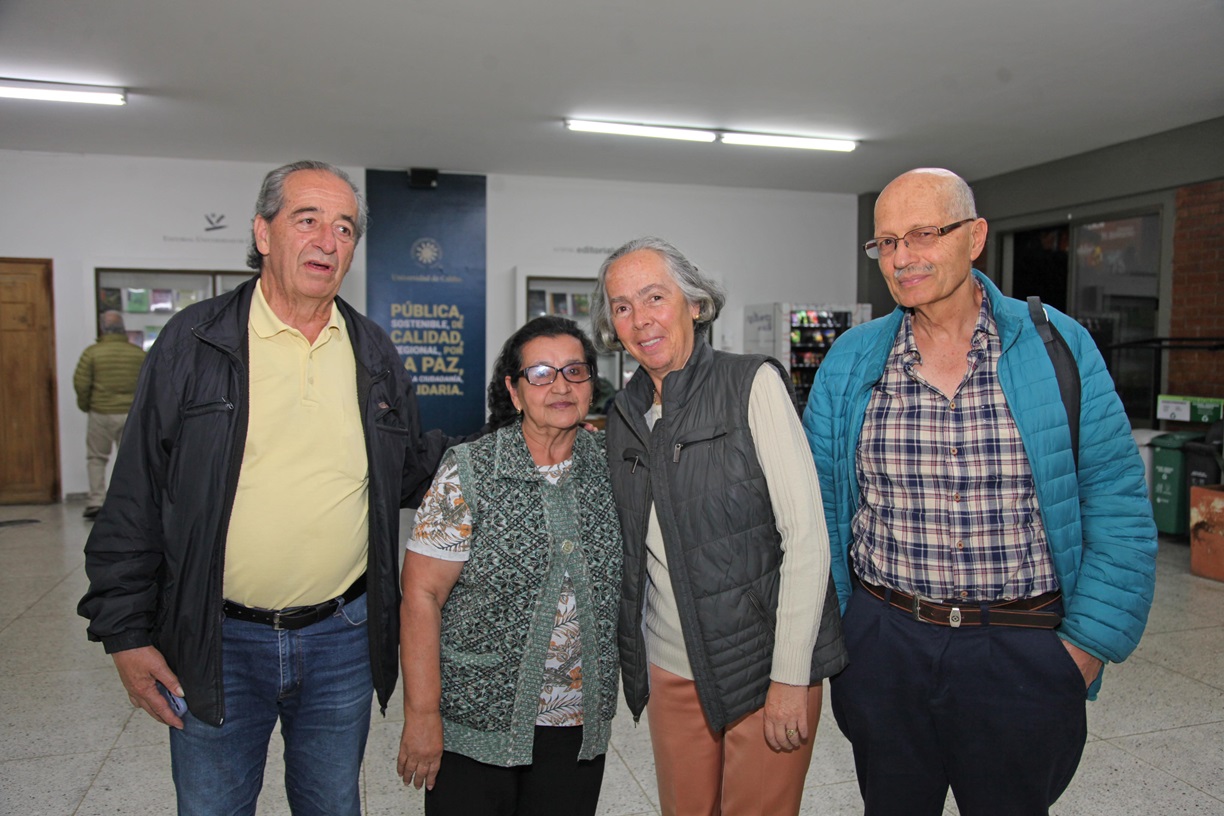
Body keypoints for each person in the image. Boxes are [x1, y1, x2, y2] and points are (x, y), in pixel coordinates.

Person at [78, 160, 455, 816]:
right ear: (262, 232)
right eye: (307, 220)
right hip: (215, 640)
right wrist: (125, 632)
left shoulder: (373, 353)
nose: (328, 241)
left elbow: (406, 472)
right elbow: (136, 490)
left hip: (342, 636)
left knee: (333, 805)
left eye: (344, 228)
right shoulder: (194, 343)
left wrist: (508, 442)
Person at [803, 168, 1158, 816]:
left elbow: (1117, 505)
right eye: (887, 243)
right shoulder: (852, 361)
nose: (903, 256)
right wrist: (845, 642)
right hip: (887, 645)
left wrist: (1081, 653)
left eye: (923, 234)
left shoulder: (1056, 348)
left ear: (975, 238)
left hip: (1019, 648)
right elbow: (818, 512)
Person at [593, 237, 847, 816]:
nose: (640, 319)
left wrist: (789, 678)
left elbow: (806, 537)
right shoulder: (625, 413)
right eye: (622, 306)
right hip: (671, 669)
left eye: (654, 297)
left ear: (697, 305)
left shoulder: (751, 385)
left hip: (761, 668)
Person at [397, 316, 622, 815]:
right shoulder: (470, 470)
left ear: (591, 385)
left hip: (578, 728)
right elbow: (421, 595)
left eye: (574, 371)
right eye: (541, 373)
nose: (561, 385)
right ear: (514, 391)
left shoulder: (612, 469)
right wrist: (421, 714)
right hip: (476, 724)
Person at [72, 310, 146, 519]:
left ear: (103, 328)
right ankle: (133, 502)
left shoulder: (92, 353)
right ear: (123, 329)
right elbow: (149, 384)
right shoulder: (137, 353)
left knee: (96, 458)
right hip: (131, 414)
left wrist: (86, 405)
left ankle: (96, 501)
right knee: (132, 460)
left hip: (101, 413)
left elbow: (81, 383)